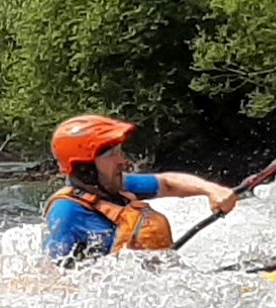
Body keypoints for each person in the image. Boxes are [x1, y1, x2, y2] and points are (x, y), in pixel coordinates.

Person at [44, 114, 238, 265]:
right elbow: (53, 276)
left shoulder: (118, 186)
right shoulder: (67, 211)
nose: (123, 161)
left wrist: (212, 190)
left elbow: (168, 182)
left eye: (120, 152)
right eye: (112, 154)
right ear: (84, 167)